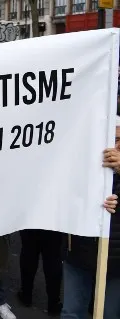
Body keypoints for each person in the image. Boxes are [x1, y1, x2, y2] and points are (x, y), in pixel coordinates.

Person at [60, 116, 120, 318]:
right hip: (79, 253)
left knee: (108, 314)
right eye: (111, 139)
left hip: (115, 264)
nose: (114, 146)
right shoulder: (84, 164)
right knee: (71, 313)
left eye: (119, 140)